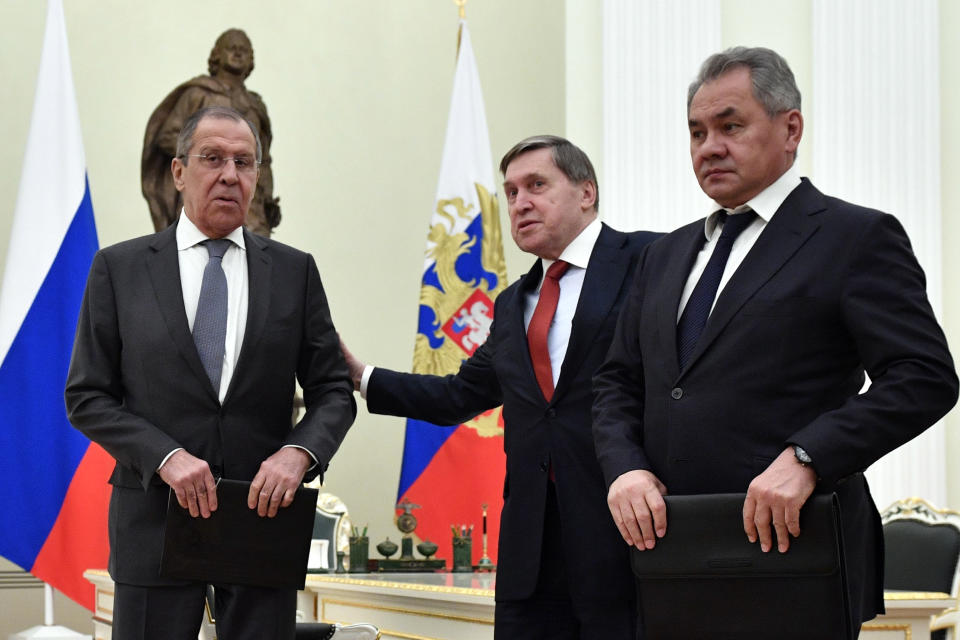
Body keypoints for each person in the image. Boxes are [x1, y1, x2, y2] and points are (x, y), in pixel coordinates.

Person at [592, 46, 958, 638]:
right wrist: (623, 468)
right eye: (696, 132)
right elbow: (616, 381)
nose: (709, 146)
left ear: (790, 129)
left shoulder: (854, 237)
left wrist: (809, 456)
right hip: (669, 556)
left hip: (794, 553)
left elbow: (924, 376)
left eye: (730, 125)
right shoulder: (663, 256)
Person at [340, 135, 659, 639]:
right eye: (510, 192)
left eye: (536, 185)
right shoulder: (512, 303)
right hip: (530, 553)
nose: (520, 203)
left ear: (586, 193)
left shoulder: (649, 258)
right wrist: (361, 376)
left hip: (622, 535)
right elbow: (458, 396)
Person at [66, 106, 355, 640]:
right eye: (213, 158)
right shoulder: (120, 269)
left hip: (262, 521)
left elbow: (334, 390)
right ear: (178, 172)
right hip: (153, 519)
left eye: (244, 163)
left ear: (257, 177)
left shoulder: (295, 272)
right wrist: (166, 457)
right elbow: (88, 396)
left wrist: (300, 453)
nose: (230, 175)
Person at [142, 28, 281, 237]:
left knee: (258, 259)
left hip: (250, 207)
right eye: (231, 48)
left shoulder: (255, 106)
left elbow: (264, 159)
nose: (237, 53)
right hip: (202, 195)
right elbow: (167, 136)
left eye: (244, 50)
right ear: (217, 54)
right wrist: (208, 155)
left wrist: (268, 198)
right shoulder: (197, 94)